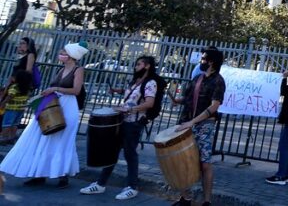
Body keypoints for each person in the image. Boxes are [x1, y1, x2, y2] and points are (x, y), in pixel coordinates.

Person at [0, 40, 88, 189]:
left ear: (71, 55)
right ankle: (39, 174)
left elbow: (76, 90)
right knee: (42, 138)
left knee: (62, 141)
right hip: (54, 105)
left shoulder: (78, 70)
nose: (61, 54)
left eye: (64, 52)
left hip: (68, 107)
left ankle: (62, 175)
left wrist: (55, 89)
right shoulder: (61, 69)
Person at [80, 55, 159, 200]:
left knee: (130, 154)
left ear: (147, 66)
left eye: (139, 64)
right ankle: (100, 183)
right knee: (112, 152)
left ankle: (132, 187)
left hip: (134, 123)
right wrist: (117, 91)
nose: (136, 66)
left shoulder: (150, 83)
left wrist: (130, 109)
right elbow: (132, 94)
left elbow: (149, 103)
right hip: (122, 121)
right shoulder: (136, 81)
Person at [171, 47, 226, 206]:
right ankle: (185, 198)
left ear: (211, 62)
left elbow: (214, 106)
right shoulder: (197, 78)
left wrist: (193, 121)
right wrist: (177, 101)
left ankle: (207, 201)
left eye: (203, 59)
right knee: (182, 160)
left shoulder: (218, 81)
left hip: (204, 125)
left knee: (205, 163)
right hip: (187, 123)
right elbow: (188, 98)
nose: (201, 61)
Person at [0, 69, 33, 144]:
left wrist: (3, 104)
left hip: (11, 108)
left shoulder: (14, 87)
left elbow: (9, 96)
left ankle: (4, 138)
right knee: (15, 124)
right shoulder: (27, 88)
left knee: (6, 124)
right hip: (21, 109)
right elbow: (28, 97)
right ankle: (11, 138)